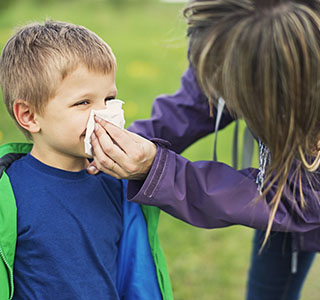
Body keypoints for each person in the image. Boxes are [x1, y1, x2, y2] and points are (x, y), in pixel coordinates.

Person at [87, 0, 320, 299]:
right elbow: (196, 103)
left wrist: (157, 170)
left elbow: (295, 198)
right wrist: (123, 144)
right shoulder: (239, 33)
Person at [0, 20, 173, 300]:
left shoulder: (119, 185)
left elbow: (134, 273)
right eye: (84, 103)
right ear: (29, 116)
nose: (103, 114)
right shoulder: (8, 193)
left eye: (109, 99)